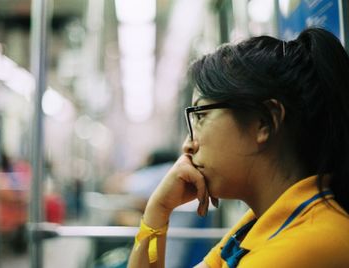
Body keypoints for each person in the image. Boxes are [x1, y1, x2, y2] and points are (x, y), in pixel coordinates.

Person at [127, 27, 349, 268]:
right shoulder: (258, 224)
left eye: (200, 116)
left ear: (264, 122)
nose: (187, 145)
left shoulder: (303, 245)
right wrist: (157, 211)